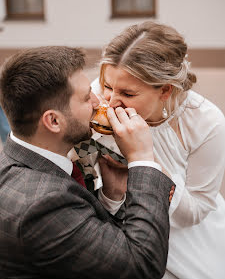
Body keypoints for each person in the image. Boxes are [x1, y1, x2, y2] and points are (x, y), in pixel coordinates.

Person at [0, 46, 175, 279]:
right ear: (53, 120)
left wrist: (110, 197)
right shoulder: (43, 206)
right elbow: (141, 266)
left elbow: (87, 244)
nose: (98, 101)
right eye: (86, 97)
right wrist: (142, 159)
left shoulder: (18, 161)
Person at [90, 21, 225, 279]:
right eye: (107, 86)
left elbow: (195, 211)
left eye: (128, 93)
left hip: (186, 245)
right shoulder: (100, 95)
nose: (110, 101)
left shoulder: (207, 123)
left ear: (165, 90)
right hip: (123, 237)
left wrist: (145, 161)